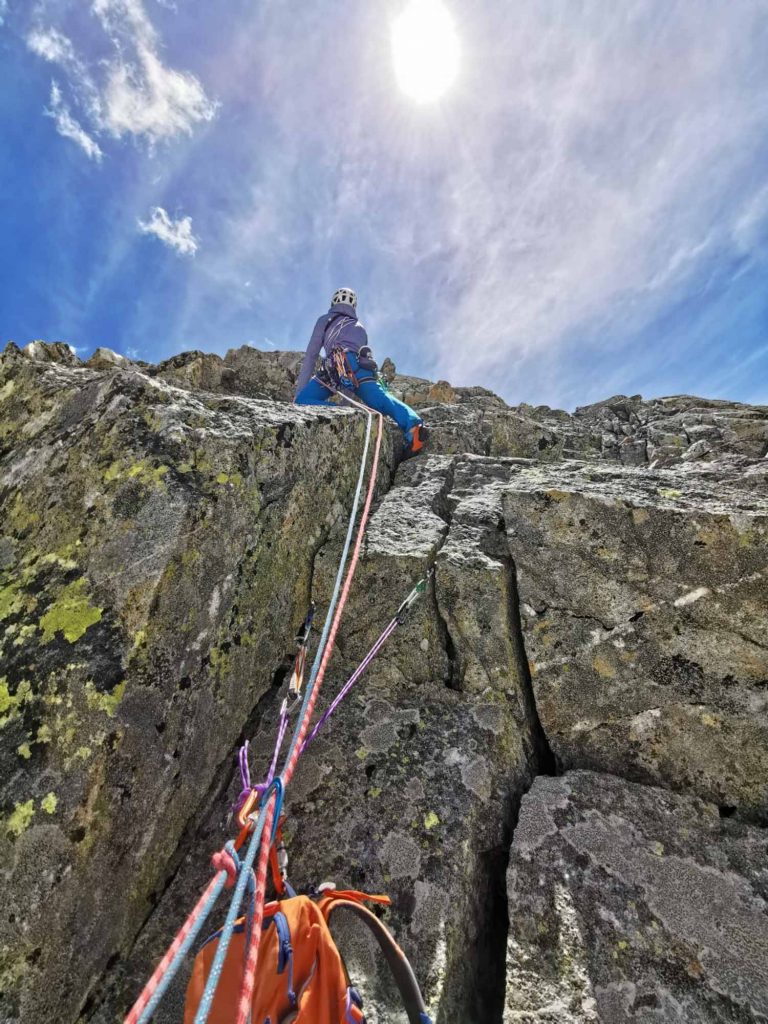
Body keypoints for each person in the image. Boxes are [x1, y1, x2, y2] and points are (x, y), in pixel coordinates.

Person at [294, 287, 429, 458]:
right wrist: (345, 405)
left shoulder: (326, 319)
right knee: (380, 399)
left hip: (334, 368)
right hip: (361, 367)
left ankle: (344, 413)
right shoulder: (360, 328)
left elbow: (311, 355)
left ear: (334, 302)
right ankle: (414, 427)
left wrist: (299, 394)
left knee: (302, 400)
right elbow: (352, 377)